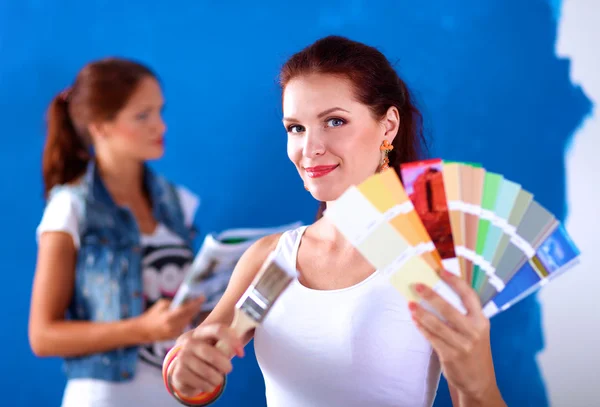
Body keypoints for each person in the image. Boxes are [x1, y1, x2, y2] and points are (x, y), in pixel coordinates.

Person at [162, 36, 507, 407]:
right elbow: (199, 371)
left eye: (334, 121)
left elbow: (477, 398)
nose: (310, 148)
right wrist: (184, 373)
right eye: (296, 128)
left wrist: (479, 386)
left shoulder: (435, 260)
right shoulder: (272, 260)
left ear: (388, 126)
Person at [28, 57, 206, 407]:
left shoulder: (177, 203)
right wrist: (142, 329)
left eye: (159, 111)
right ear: (100, 127)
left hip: (176, 396)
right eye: (142, 116)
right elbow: (43, 336)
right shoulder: (70, 208)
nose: (160, 126)